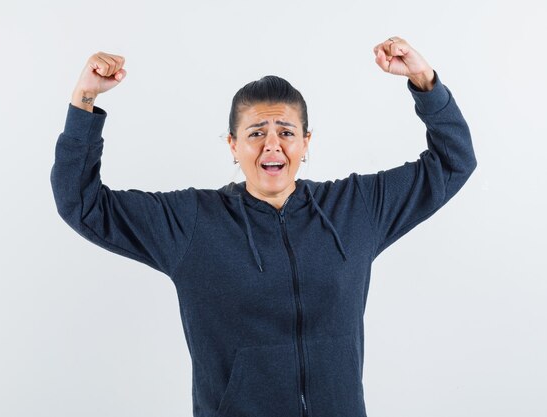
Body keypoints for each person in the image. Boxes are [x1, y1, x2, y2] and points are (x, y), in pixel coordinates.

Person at [50, 36, 477, 417]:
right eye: (256, 132)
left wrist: (426, 82)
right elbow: (81, 203)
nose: (272, 143)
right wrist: (84, 101)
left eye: (286, 131)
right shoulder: (191, 222)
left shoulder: (356, 209)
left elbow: (454, 163)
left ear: (305, 144)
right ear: (233, 146)